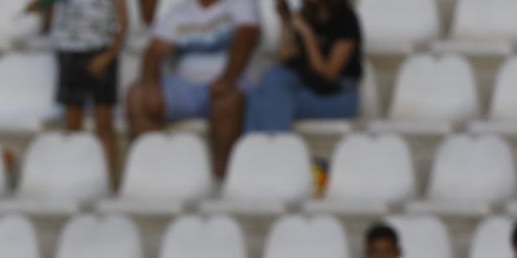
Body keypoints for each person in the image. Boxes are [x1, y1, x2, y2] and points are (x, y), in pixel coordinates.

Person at [126, 0, 260, 181]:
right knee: (138, 96)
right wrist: (151, 85)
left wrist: (226, 79)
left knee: (227, 99)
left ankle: (221, 179)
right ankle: (155, 175)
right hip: (187, 86)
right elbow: (154, 52)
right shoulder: (178, 13)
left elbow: (247, 38)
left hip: (232, 82)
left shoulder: (241, 4)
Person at [33, 0, 129, 177]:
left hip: (102, 50)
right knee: (72, 123)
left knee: (105, 123)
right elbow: (41, 8)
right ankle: (75, 175)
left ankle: (109, 180)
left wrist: (108, 56)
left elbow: (124, 22)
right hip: (68, 51)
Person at [245, 0, 362, 134]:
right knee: (261, 93)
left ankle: (275, 148)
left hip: (338, 97)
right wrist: (285, 22)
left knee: (273, 101)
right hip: (308, 90)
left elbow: (328, 74)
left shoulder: (347, 21)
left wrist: (307, 34)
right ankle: (260, 149)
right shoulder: (306, 15)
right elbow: (285, 59)